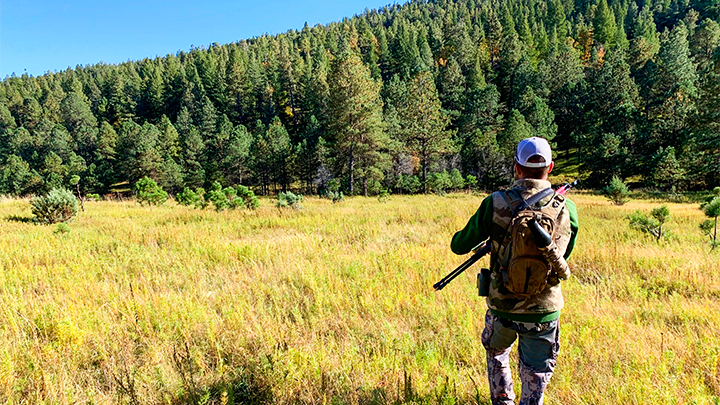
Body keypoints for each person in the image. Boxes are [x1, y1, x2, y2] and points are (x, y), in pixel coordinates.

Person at [450, 137, 579, 405]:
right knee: (535, 374)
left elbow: (459, 246)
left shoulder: (494, 202)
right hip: (544, 310)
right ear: (551, 167)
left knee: (497, 354)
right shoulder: (567, 208)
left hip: (502, 307)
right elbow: (563, 256)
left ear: (516, 168)